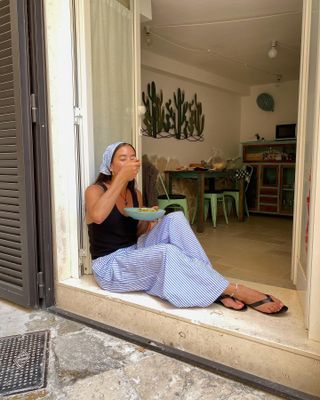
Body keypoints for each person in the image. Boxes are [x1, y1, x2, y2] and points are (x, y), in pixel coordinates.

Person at [85, 142, 288, 315]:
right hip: (110, 266)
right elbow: (98, 216)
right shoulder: (95, 190)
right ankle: (233, 289)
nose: (130, 161)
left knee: (175, 219)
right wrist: (120, 179)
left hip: (133, 251)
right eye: (123, 158)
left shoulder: (135, 193)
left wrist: (148, 220)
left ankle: (215, 287)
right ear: (110, 166)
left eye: (133, 157)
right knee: (167, 252)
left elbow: (136, 234)